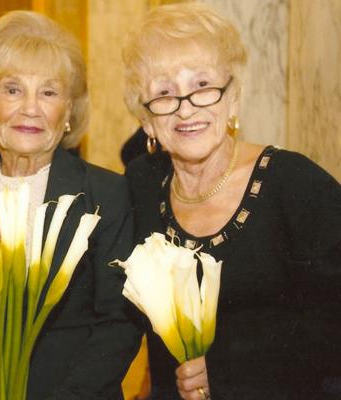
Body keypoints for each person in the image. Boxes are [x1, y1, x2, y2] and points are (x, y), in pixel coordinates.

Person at [0, 11, 141, 400]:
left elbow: (118, 322)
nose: (31, 108)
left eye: (49, 92)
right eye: (13, 89)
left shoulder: (106, 194)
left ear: (69, 112)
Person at [122, 3, 341, 399]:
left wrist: (230, 366)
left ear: (233, 98)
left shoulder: (294, 184)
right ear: (146, 119)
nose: (186, 107)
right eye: (165, 93)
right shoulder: (140, 186)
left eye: (203, 86)